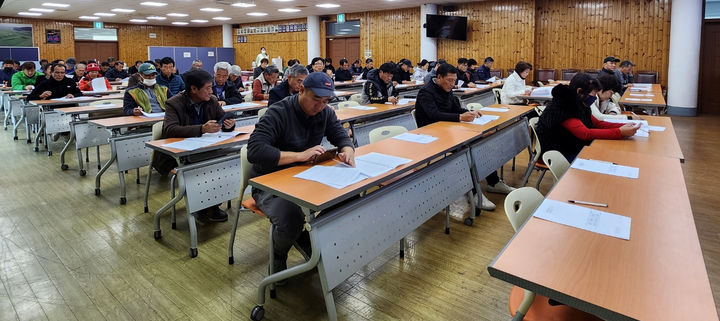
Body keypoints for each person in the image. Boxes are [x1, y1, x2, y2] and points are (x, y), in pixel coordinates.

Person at [248, 71, 354, 273]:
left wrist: (347, 149)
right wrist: (299, 155)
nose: (321, 106)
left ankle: (310, 239)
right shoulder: (278, 112)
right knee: (291, 217)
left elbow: (340, 135)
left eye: (326, 101)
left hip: (306, 178)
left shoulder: (324, 112)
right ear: (301, 89)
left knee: (349, 196)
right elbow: (255, 150)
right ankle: (279, 253)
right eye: (316, 100)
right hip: (269, 183)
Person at [414, 63, 512, 210]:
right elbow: (434, 115)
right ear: (439, 77)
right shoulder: (426, 92)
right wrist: (460, 117)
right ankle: (472, 192)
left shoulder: (447, 89)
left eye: (454, 81)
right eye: (449, 80)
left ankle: (493, 182)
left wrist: (469, 112)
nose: (452, 84)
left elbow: (455, 108)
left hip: (448, 130)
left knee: (482, 142)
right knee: (467, 149)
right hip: (431, 135)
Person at [159, 69, 235, 222]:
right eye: (207, 88)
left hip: (205, 148)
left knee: (222, 161)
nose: (211, 91)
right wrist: (201, 129)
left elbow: (223, 119)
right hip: (179, 152)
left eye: (211, 87)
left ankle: (212, 203)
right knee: (205, 166)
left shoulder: (211, 100)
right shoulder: (174, 103)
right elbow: (169, 130)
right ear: (193, 89)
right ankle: (202, 205)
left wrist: (229, 125)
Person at [536, 73, 640, 162]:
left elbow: (597, 123)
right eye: (593, 93)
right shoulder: (564, 105)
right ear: (580, 91)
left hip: (572, 144)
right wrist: (620, 132)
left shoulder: (580, 103)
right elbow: (584, 133)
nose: (595, 97)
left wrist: (624, 126)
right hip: (558, 151)